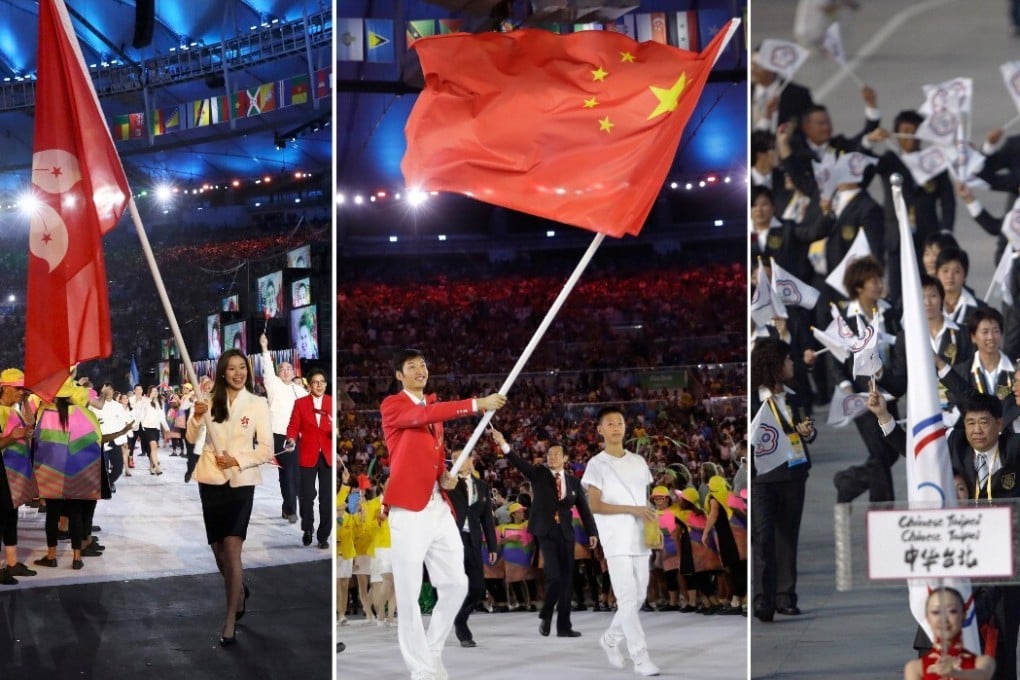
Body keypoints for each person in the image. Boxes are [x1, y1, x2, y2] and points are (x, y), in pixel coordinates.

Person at [379, 348, 506, 680]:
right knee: (407, 596)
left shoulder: (431, 412)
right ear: (399, 375)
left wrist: (444, 477)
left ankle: (432, 651)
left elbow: (432, 457)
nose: (421, 369)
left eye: (423, 364)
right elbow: (423, 417)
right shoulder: (393, 406)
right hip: (408, 510)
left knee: (456, 584)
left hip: (437, 506)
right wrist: (477, 404)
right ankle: (421, 670)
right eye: (412, 366)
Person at [186, 349, 273, 647]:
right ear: (223, 372)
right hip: (210, 481)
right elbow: (190, 437)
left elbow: (266, 450)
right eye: (232, 368)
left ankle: (229, 620)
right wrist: (197, 417)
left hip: (241, 483)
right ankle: (240, 590)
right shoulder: (209, 400)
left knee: (233, 550)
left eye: (242, 368)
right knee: (219, 553)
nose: (238, 373)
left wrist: (236, 460)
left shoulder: (258, 404)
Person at [580, 405, 661, 677]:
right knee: (627, 598)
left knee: (638, 597)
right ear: (601, 430)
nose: (616, 427)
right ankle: (641, 658)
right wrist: (633, 510)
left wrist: (649, 518)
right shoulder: (596, 464)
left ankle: (610, 639)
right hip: (615, 540)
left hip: (640, 537)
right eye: (610, 423)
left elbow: (644, 500)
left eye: (620, 423)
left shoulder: (638, 461)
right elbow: (595, 505)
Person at [494, 429, 598, 638]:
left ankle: (563, 625)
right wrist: (503, 443)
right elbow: (517, 461)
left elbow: (585, 510)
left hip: (566, 533)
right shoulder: (539, 473)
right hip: (546, 532)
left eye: (556, 455)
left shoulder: (574, 482)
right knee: (554, 576)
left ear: (565, 458)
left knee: (568, 578)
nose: (552, 458)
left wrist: (592, 532)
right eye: (549, 455)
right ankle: (547, 613)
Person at [751, 338, 815, 622]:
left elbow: (808, 429)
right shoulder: (754, 398)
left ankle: (785, 596)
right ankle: (763, 598)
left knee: (788, 536)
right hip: (762, 478)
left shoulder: (796, 393)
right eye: (787, 360)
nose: (792, 364)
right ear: (774, 364)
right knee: (763, 537)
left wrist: (808, 432)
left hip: (794, 470)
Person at [32, 379, 104, 571]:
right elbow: (98, 440)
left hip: (52, 474)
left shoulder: (46, 415)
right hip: (79, 474)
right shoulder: (86, 414)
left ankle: (51, 556)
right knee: (76, 516)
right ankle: (76, 558)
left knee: (52, 517)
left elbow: (38, 443)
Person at [447, 450, 498, 647]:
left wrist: (492, 545)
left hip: (474, 540)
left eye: (461, 457)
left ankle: (460, 617)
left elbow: (487, 518)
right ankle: (462, 629)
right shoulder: (448, 483)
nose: (456, 461)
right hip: (452, 540)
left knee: (478, 587)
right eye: (453, 458)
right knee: (456, 585)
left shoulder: (482, 486)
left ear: (471, 460)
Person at [260, 333, 307, 523]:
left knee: (291, 473)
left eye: (289, 368)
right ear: (279, 373)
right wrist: (264, 348)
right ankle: (291, 509)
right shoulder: (274, 386)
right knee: (288, 470)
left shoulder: (300, 391)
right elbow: (267, 370)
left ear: (294, 372)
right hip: (280, 434)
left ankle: (287, 507)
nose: (286, 371)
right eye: (283, 369)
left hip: (298, 436)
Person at [286, 367, 332, 548]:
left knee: (326, 498)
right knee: (306, 495)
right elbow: (293, 426)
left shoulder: (332, 402)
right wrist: (290, 439)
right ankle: (307, 528)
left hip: (327, 455)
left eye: (322, 382)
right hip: (307, 454)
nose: (319, 385)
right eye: (315, 382)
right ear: (309, 384)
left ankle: (323, 536)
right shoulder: (301, 403)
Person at [904, 587, 995, 680]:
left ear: (964, 614)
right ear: (927, 617)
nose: (943, 619)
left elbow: (981, 674)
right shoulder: (914, 668)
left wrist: (955, 673)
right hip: (927, 644)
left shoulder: (983, 663)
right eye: (935, 612)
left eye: (952, 611)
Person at [0, 368, 35, 584]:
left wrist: (28, 400)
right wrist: (13, 437)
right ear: (5, 388)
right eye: (18, 388)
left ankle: (11, 564)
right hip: (3, 474)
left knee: (11, 518)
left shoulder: (16, 410)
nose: (22, 391)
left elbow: (30, 423)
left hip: (15, 476)